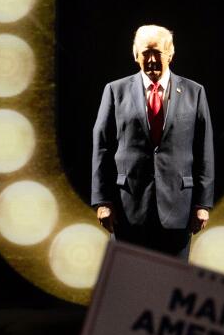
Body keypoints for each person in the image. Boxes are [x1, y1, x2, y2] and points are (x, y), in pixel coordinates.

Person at [92, 25, 214, 259]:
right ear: (135, 54)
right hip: (127, 208)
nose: (150, 60)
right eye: (145, 53)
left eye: (156, 52)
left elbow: (204, 150)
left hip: (179, 208)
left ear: (170, 53)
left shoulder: (194, 92)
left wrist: (202, 205)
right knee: (131, 285)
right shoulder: (114, 91)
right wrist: (102, 201)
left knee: (171, 283)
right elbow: (102, 147)